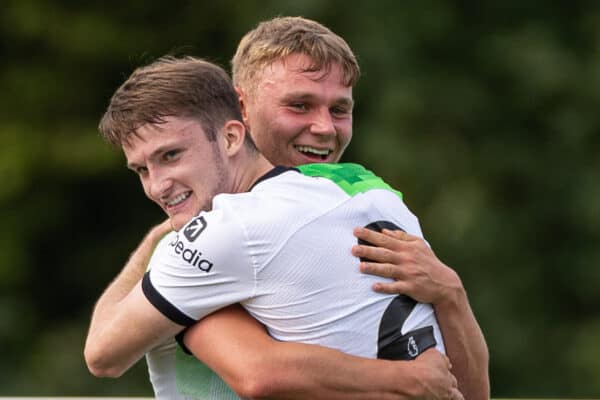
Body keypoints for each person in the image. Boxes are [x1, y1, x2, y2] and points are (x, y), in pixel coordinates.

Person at [87, 16, 489, 400]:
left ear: (230, 135)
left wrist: (450, 295)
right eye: (299, 105)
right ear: (240, 111)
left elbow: (255, 373)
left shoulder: (223, 235)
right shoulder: (370, 191)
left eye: (339, 109)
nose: (324, 129)